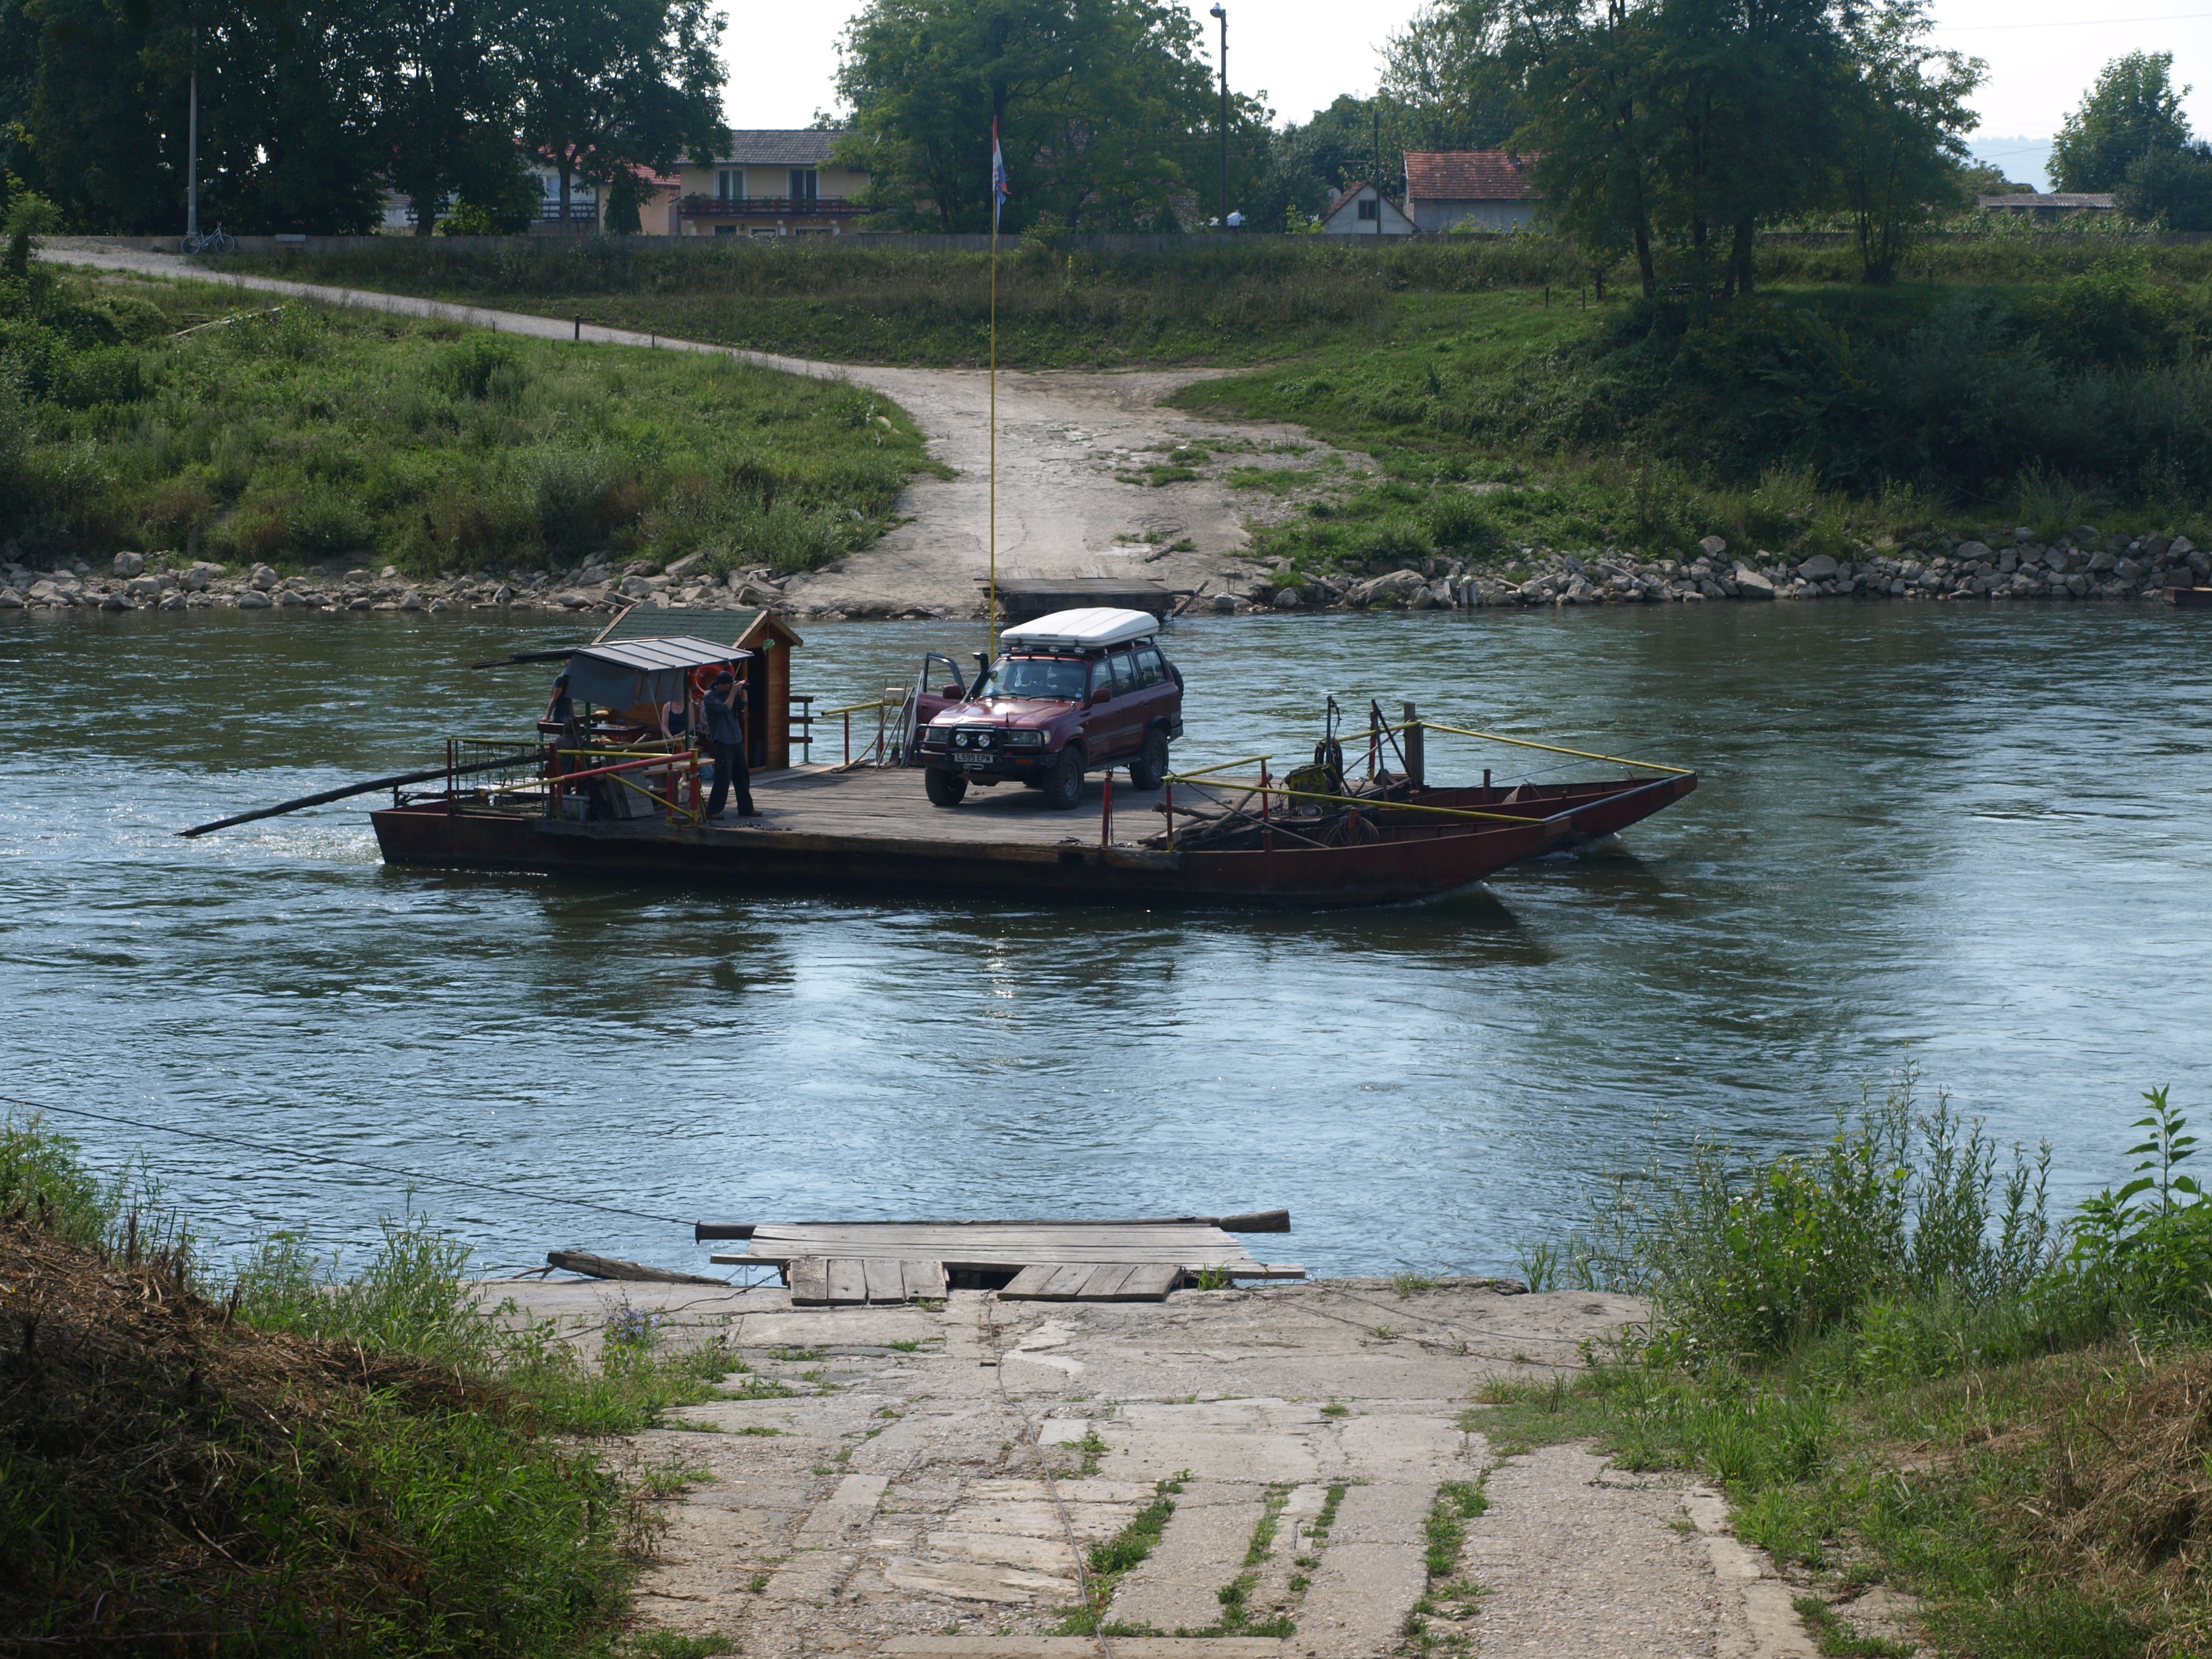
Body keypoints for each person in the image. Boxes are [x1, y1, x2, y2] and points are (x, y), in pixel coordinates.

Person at [701, 669, 757, 819]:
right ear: (722, 685)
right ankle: (713, 810)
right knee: (723, 776)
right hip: (722, 740)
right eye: (729, 685)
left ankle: (746, 808)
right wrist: (733, 692)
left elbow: (743, 703)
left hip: (736, 738)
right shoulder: (710, 696)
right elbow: (724, 708)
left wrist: (742, 690)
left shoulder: (729, 694)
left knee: (742, 774)